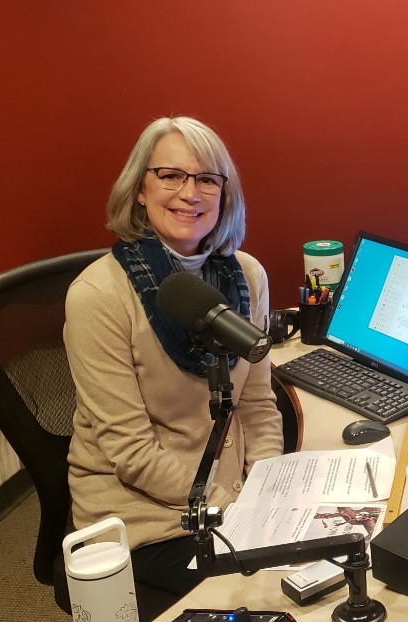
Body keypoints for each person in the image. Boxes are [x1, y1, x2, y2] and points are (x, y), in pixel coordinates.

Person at [64, 116, 284, 598]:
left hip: (232, 496)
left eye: (207, 178)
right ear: (140, 189)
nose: (191, 193)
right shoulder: (98, 296)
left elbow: (258, 404)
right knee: (260, 597)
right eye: (171, 176)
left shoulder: (247, 276)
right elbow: (131, 452)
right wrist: (230, 506)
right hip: (145, 517)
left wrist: (268, 487)